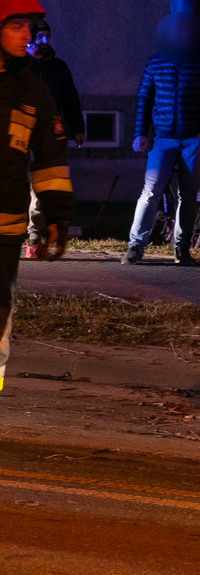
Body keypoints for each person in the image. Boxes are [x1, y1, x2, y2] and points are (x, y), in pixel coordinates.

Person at [0, 0, 72, 393]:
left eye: (29, 27)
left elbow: (50, 159)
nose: (27, 36)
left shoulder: (33, 90)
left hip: (5, 228)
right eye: (16, 26)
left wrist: (56, 217)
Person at [122, 7, 200, 266]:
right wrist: (139, 133)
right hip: (163, 138)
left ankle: (182, 249)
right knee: (151, 191)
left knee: (188, 195)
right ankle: (136, 245)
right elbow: (144, 97)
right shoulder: (156, 62)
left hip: (193, 139)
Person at [23, 18, 84, 259]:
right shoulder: (18, 66)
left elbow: (70, 98)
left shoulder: (58, 68)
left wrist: (77, 127)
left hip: (48, 133)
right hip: (18, 132)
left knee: (41, 189)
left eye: (47, 36)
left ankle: (35, 239)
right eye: (40, 37)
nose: (45, 42)